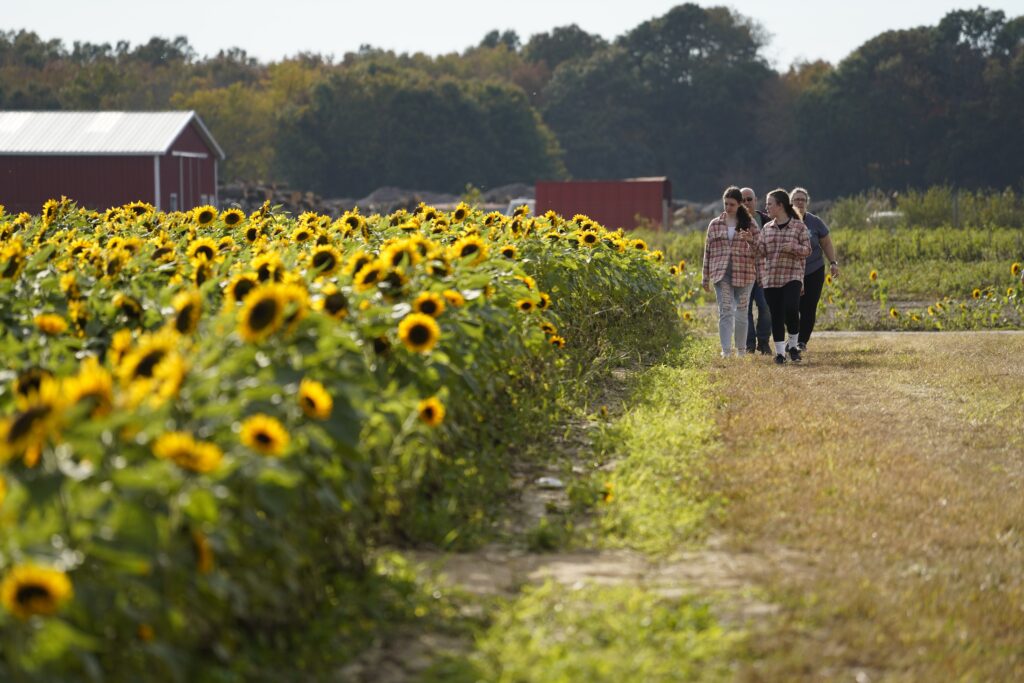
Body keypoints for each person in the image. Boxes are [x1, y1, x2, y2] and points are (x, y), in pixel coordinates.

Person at [702, 186, 761, 357]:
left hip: (745, 273)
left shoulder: (750, 224)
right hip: (721, 274)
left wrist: (750, 241)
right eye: (726, 204)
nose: (728, 208)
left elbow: (761, 250)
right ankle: (726, 351)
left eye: (732, 204)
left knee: (742, 312)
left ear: (740, 204)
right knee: (726, 309)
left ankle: (741, 350)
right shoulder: (714, 224)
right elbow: (708, 251)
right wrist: (705, 277)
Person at [756, 189, 811, 365]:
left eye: (769, 204)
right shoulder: (766, 228)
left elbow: (807, 250)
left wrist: (794, 247)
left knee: (791, 308)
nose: (766, 207)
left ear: (780, 205)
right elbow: (760, 252)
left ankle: (793, 346)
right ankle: (780, 353)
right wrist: (750, 242)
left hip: (792, 275)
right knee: (776, 315)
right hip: (771, 278)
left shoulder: (799, 227)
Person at [790, 187, 839, 352]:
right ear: (790, 202)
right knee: (790, 306)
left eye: (802, 200)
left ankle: (802, 341)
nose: (799, 202)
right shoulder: (785, 221)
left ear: (807, 202)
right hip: (790, 271)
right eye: (796, 199)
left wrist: (833, 262)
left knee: (809, 307)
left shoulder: (815, 222)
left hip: (814, 269)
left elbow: (826, 243)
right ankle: (793, 337)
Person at [741, 187, 772, 354]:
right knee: (744, 310)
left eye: (749, 199)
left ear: (756, 201)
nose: (746, 203)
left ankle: (764, 341)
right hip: (743, 274)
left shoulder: (767, 221)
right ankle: (749, 344)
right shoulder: (734, 221)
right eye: (743, 200)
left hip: (763, 273)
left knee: (766, 306)